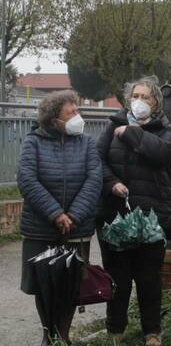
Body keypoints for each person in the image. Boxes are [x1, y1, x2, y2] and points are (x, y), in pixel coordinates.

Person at [96, 75, 171, 346]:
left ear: (156, 102)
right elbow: (97, 160)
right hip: (115, 216)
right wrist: (112, 183)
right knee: (117, 278)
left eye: (146, 97)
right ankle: (115, 329)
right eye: (136, 96)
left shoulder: (166, 130)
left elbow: (162, 154)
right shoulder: (112, 125)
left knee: (148, 279)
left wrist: (131, 133)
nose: (140, 102)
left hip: (150, 216)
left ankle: (151, 331)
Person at [18, 90, 102, 345]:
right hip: (40, 227)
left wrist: (73, 215)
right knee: (43, 284)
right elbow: (27, 180)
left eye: (78, 110)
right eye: (71, 112)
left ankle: (63, 335)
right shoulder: (33, 142)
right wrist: (55, 213)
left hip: (77, 227)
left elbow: (94, 178)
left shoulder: (87, 142)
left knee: (70, 284)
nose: (78, 115)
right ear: (55, 118)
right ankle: (47, 334)